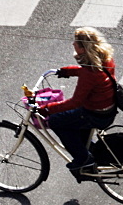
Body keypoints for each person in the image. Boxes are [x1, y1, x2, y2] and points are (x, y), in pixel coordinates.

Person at [38, 27, 118, 178]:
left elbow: (75, 102)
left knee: (55, 121)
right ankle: (89, 151)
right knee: (72, 121)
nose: (73, 44)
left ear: (83, 47)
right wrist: (66, 71)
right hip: (108, 110)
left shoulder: (89, 74)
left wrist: (47, 109)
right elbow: (88, 71)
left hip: (94, 115)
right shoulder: (105, 59)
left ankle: (83, 159)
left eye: (76, 42)